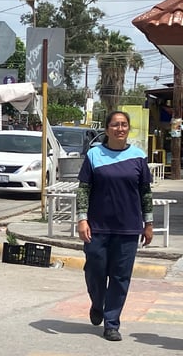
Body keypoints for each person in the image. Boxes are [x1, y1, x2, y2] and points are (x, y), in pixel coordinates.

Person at [76, 111, 153, 342]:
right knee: (95, 271)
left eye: (124, 125)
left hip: (128, 228)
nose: (120, 129)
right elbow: (83, 189)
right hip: (97, 227)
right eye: (115, 125)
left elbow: (145, 193)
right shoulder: (94, 154)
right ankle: (97, 303)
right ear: (107, 128)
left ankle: (112, 323)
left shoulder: (138, 156)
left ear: (128, 129)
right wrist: (82, 219)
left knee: (120, 277)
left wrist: (148, 223)